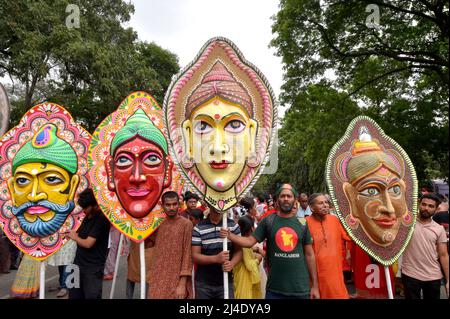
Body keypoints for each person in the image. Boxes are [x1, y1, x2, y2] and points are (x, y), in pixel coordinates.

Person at [221, 183, 320, 299]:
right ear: (277, 200)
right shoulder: (268, 221)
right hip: (274, 290)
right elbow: (249, 242)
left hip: (300, 290)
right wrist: (229, 235)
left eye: (289, 196)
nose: (286, 199)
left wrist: (315, 286)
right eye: (282, 196)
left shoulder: (303, 224)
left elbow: (310, 255)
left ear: (295, 200)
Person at [401, 193, 449, 299]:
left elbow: (443, 255)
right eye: (424, 204)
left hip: (433, 276)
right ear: (419, 204)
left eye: (431, 206)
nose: (426, 208)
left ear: (436, 209)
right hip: (410, 274)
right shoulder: (407, 223)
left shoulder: (439, 229)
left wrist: (448, 280)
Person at [147, 191, 193, 299]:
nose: (171, 208)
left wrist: (182, 284)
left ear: (179, 204)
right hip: (157, 278)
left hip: (177, 280)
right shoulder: (157, 224)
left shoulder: (186, 224)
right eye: (168, 205)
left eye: (174, 204)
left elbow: (187, 255)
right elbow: (149, 245)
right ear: (162, 206)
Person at [192, 204, 242, 299]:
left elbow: (239, 251)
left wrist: (232, 264)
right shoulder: (198, 228)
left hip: (226, 282)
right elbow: (195, 256)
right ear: (209, 203)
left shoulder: (233, 226)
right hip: (204, 284)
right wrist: (216, 258)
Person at [306, 193, 351, 299]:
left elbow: (350, 237)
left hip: (336, 273)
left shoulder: (334, 220)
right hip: (316, 275)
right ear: (312, 207)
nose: (325, 205)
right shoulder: (305, 223)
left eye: (326, 202)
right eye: (320, 203)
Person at [68, 188, 110, 299]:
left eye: (86, 207)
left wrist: (75, 237)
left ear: (94, 205)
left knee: (92, 296)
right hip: (76, 265)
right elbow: (79, 234)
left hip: (92, 269)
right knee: (73, 295)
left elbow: (88, 243)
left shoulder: (102, 219)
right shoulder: (87, 217)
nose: (84, 210)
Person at [233, 215, 262, 299]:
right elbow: (249, 265)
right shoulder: (244, 243)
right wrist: (257, 259)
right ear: (251, 229)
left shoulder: (239, 240)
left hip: (240, 276)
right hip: (244, 279)